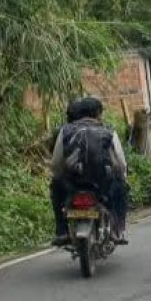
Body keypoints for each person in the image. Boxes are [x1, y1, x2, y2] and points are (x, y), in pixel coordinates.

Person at [49, 97, 129, 246]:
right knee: (120, 188)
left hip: (73, 183)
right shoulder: (108, 132)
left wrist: (58, 178)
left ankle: (62, 231)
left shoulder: (64, 131)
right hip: (102, 183)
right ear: (97, 113)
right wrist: (122, 177)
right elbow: (120, 162)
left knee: (56, 186)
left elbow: (56, 163)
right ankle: (117, 231)